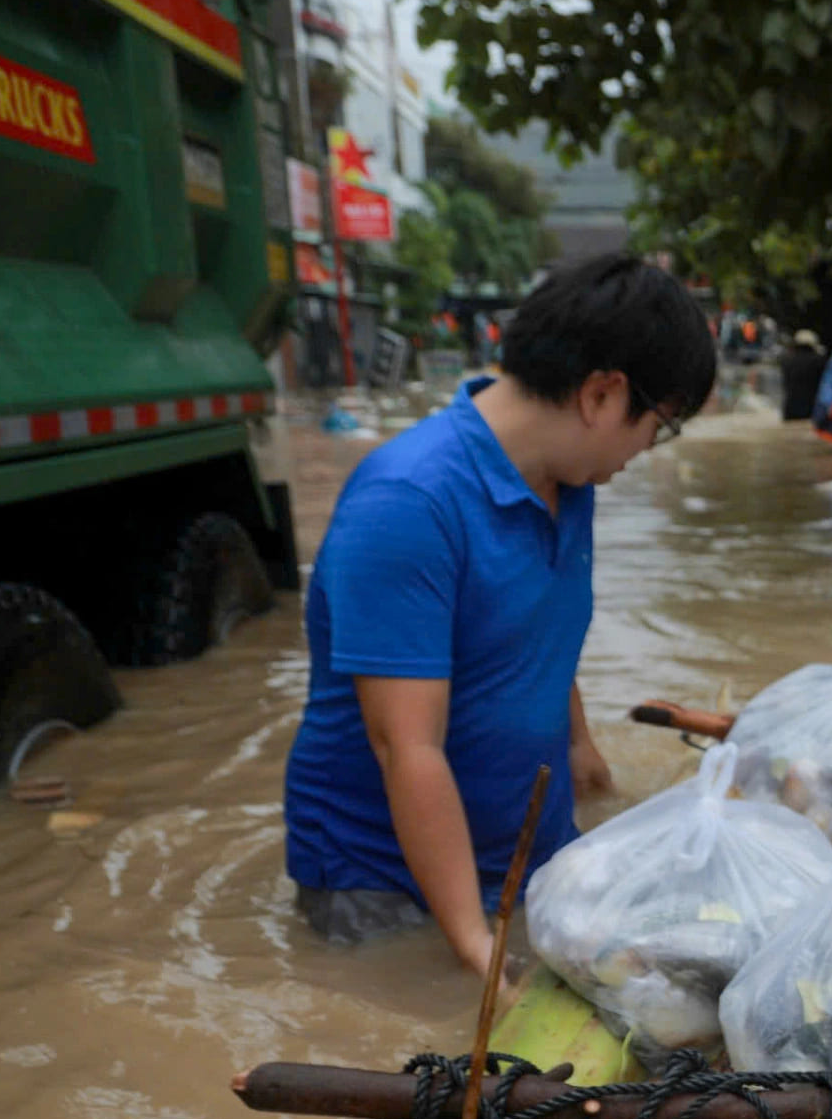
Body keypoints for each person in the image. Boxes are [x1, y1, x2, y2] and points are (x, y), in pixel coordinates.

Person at [284, 254, 717, 974]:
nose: (646, 451)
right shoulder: (409, 504)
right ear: (603, 395)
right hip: (384, 886)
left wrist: (579, 744)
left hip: (520, 854)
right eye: (659, 426)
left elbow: (537, 627)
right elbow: (407, 748)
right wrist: (474, 948)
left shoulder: (568, 480)